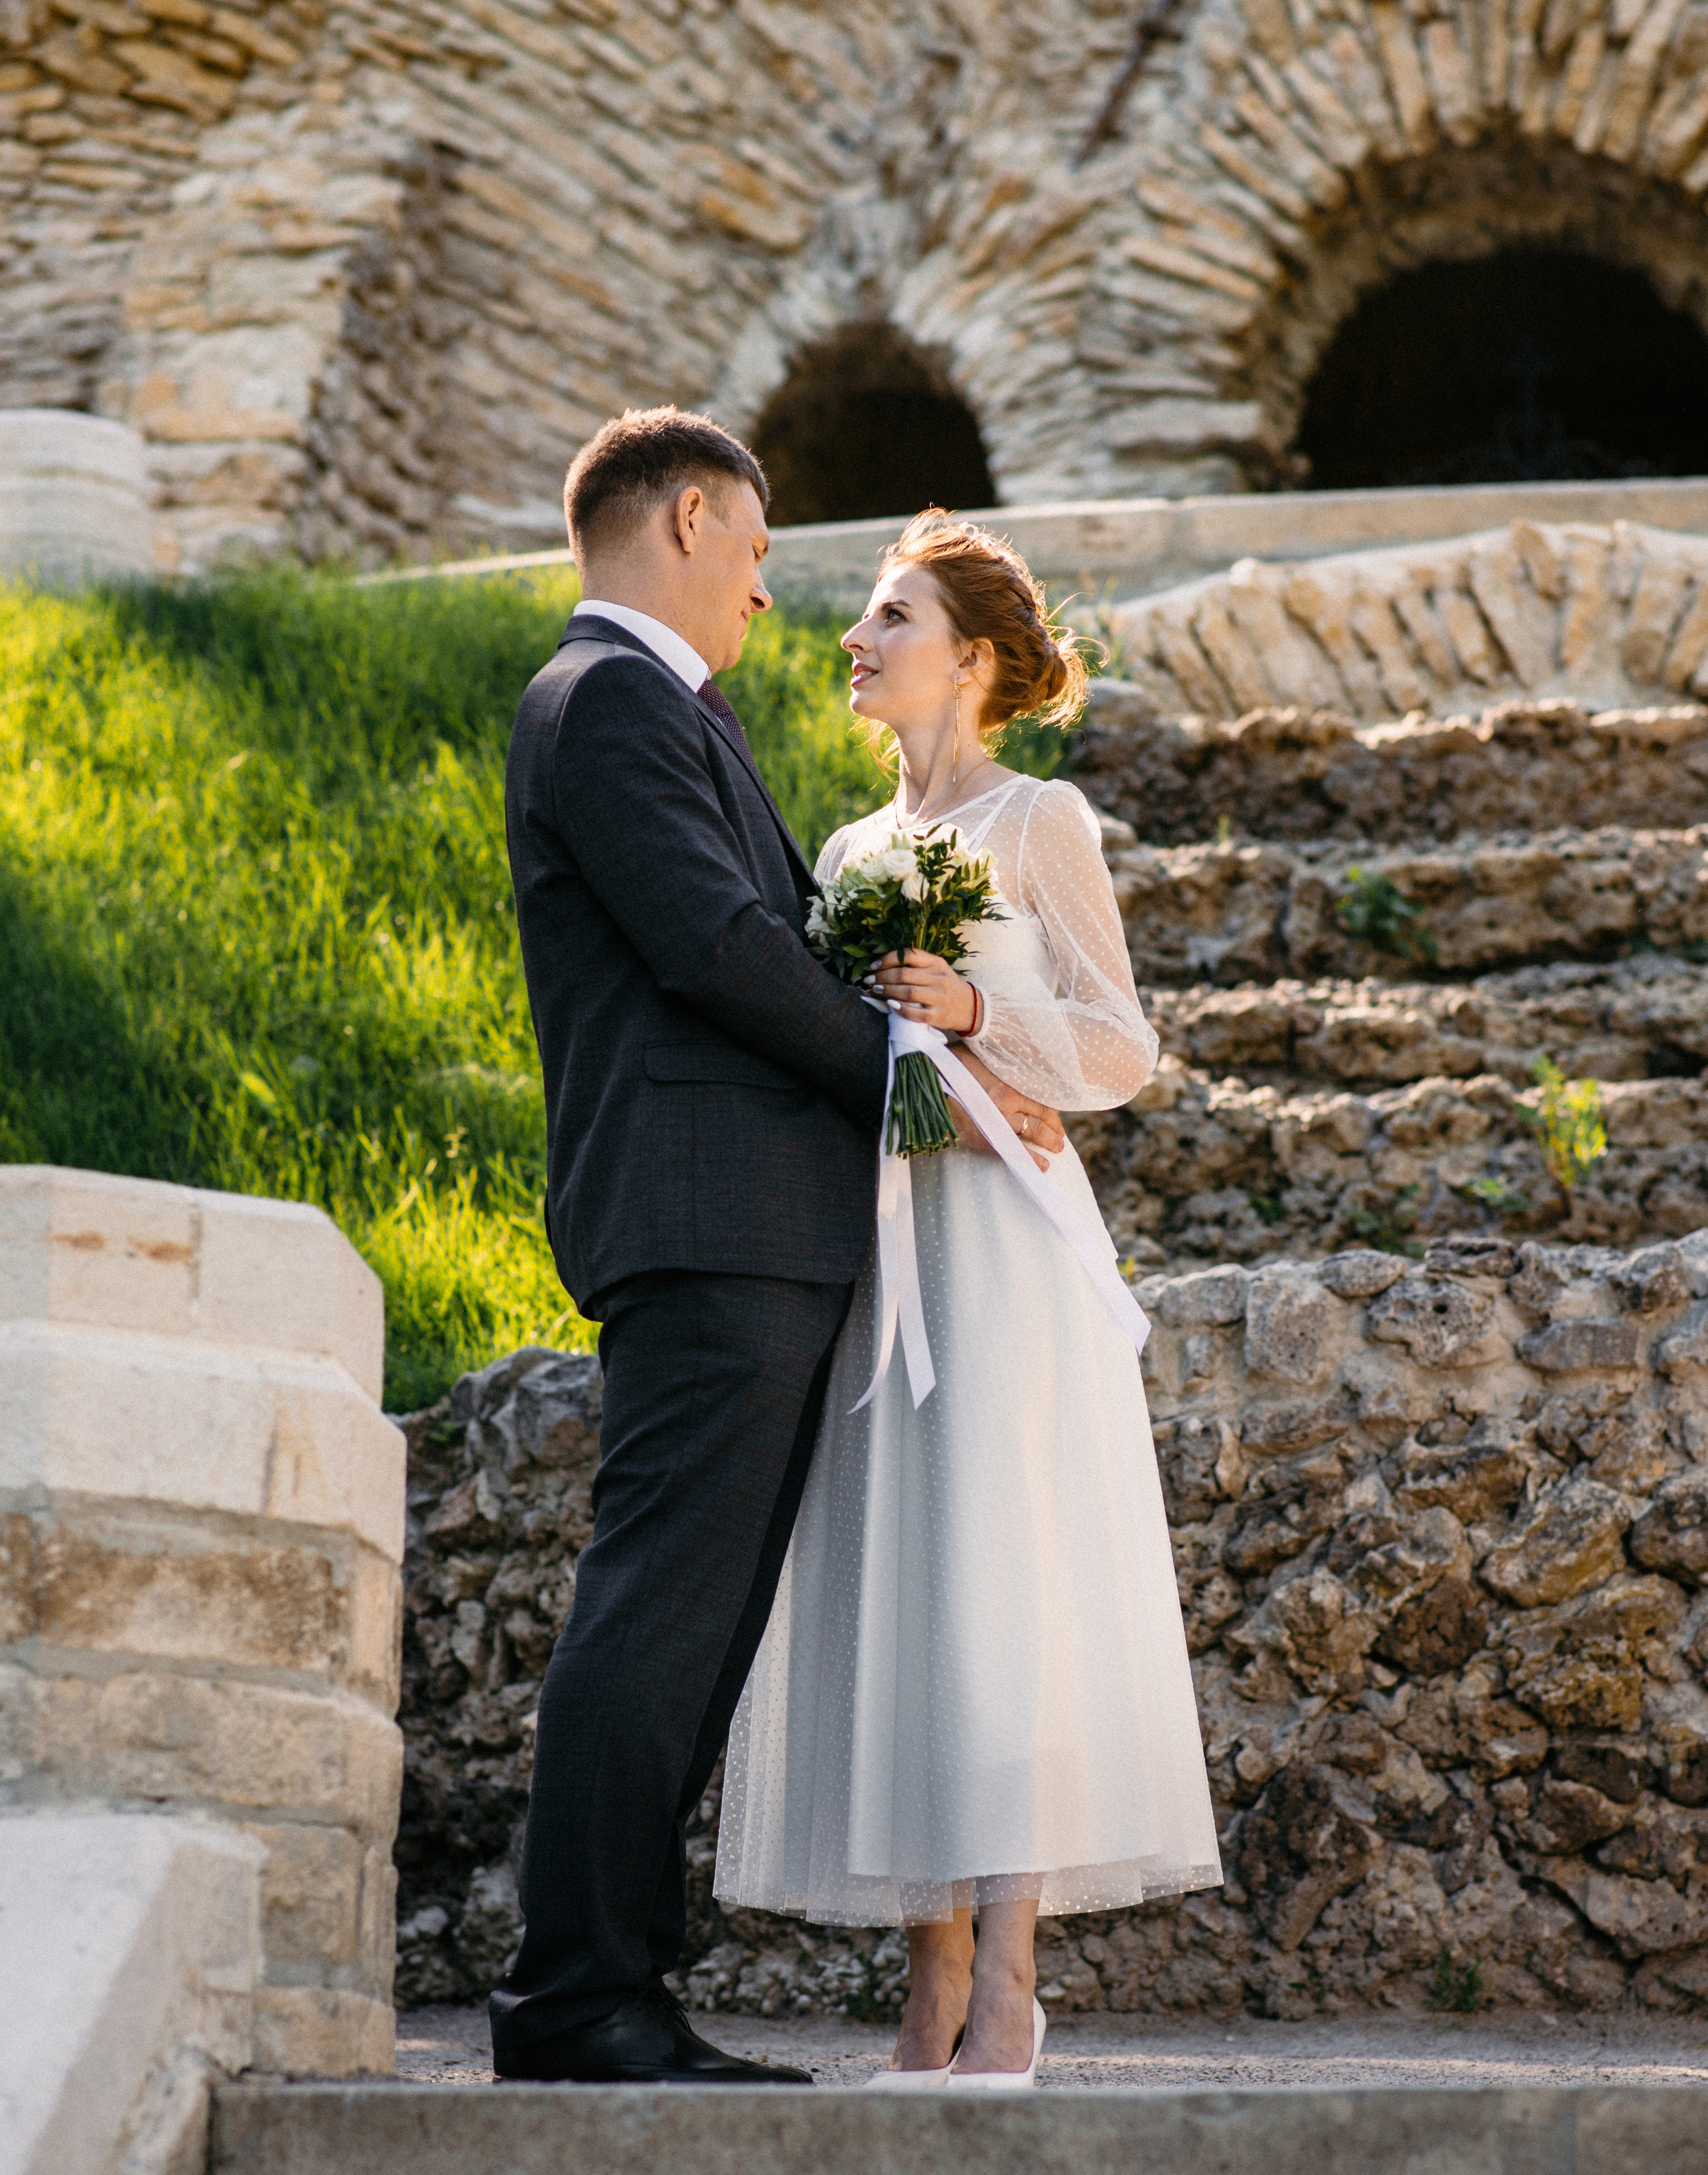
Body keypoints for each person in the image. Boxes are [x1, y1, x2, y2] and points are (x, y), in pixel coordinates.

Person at [492, 413, 1067, 2085]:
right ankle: (576, 1996)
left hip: (746, 1226)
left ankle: (615, 1989)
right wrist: (930, 1081)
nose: (764, 590)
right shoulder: (605, 701)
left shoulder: (660, 710)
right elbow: (716, 946)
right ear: (686, 518)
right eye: (752, 549)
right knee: (661, 1611)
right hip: (704, 1219)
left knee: (692, 1622)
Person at [714, 512, 1223, 2087]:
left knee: (1001, 1595)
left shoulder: (1035, 819)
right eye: (862, 617)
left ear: (973, 657)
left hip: (1006, 1245)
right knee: (905, 1598)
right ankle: (922, 1975)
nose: (853, 639)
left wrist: (978, 1010)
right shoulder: (852, 859)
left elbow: (1120, 1047)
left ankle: (1006, 1977)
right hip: (884, 1247)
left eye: (887, 615)